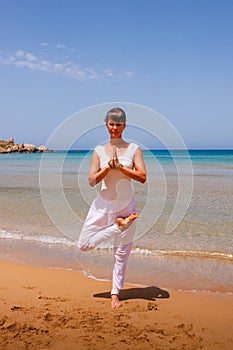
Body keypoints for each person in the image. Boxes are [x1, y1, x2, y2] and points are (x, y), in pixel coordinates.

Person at [77, 107, 146, 308]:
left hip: (126, 204)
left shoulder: (134, 149)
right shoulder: (99, 151)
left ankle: (115, 293)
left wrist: (121, 168)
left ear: (124, 125)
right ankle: (118, 226)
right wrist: (107, 167)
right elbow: (91, 181)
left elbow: (142, 177)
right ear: (106, 125)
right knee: (84, 244)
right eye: (111, 124)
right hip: (102, 204)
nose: (114, 128)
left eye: (118, 124)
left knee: (121, 254)